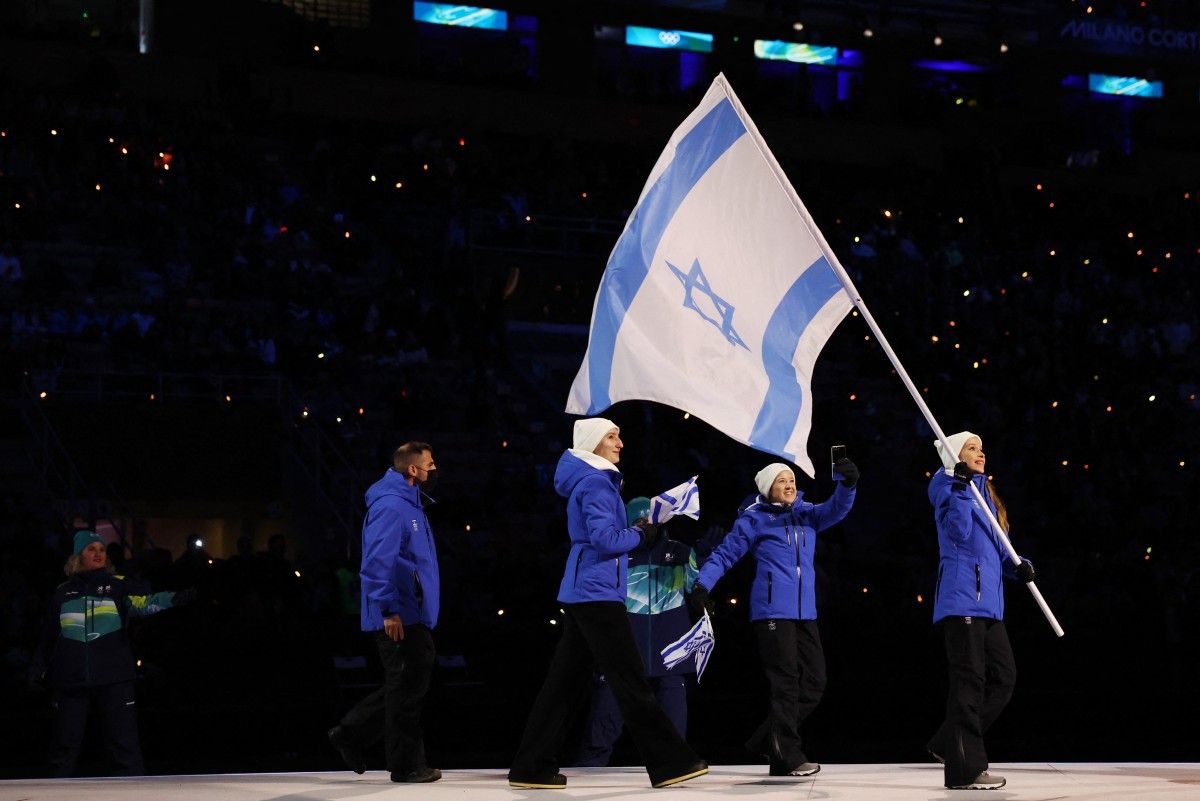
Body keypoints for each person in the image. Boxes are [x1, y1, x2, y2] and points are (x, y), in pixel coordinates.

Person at [508, 418, 708, 789]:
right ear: (593, 443)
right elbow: (604, 539)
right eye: (612, 437)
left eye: (619, 435)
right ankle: (670, 762)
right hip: (596, 593)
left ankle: (531, 765)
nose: (620, 443)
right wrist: (640, 533)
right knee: (630, 680)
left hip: (587, 590)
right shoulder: (597, 483)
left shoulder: (593, 482)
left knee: (564, 684)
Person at [691, 456, 859, 777]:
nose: (790, 485)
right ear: (768, 488)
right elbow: (726, 553)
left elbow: (836, 508)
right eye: (782, 481)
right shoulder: (755, 520)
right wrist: (703, 584)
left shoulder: (807, 514)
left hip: (805, 612)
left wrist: (847, 485)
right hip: (772, 611)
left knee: (815, 682)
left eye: (792, 480)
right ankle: (787, 755)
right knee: (786, 682)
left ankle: (769, 740)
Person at [32, 530, 194, 777]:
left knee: (124, 746)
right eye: (91, 549)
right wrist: (37, 669)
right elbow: (49, 637)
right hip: (71, 680)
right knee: (64, 748)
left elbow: (144, 603)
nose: (98, 553)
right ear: (78, 556)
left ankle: (134, 792)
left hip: (115, 678)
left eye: (101, 549)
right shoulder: (62, 592)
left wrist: (175, 598)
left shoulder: (118, 585)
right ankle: (53, 792)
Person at [327, 442, 442, 783]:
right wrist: (389, 610)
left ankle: (352, 734)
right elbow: (377, 562)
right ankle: (405, 764)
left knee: (408, 681)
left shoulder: (409, 504)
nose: (435, 469)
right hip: (398, 612)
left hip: (409, 609)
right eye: (430, 464)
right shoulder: (392, 506)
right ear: (413, 470)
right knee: (406, 682)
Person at [925, 431, 1034, 791]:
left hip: (989, 603)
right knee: (969, 683)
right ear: (954, 455)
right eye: (971, 448)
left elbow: (998, 548)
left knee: (1004, 677)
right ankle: (965, 770)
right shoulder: (946, 488)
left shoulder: (983, 491)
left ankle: (949, 742)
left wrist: (1018, 566)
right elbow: (957, 533)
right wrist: (959, 487)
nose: (981, 453)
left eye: (982, 448)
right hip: (962, 600)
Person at [574, 496, 700, 767]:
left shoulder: (679, 551)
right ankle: (589, 771)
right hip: (624, 651)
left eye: (651, 520)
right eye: (639, 521)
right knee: (603, 723)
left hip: (670, 652)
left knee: (674, 728)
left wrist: (703, 557)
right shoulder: (615, 556)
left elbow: (696, 587)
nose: (646, 525)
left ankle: (676, 770)